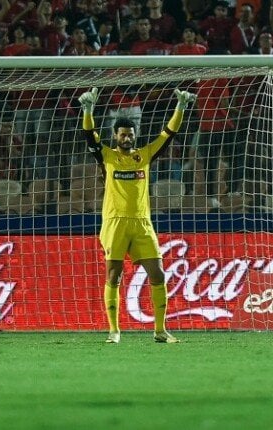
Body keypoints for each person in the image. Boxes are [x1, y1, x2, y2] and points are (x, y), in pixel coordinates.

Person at [78, 86, 196, 343]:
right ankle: (114, 330)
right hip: (115, 223)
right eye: (123, 135)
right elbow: (89, 135)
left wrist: (180, 107)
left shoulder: (144, 156)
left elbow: (168, 134)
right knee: (114, 275)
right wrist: (87, 109)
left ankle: (160, 330)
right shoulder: (107, 156)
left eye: (130, 134)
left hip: (143, 224)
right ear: (116, 136)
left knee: (158, 274)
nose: (127, 138)